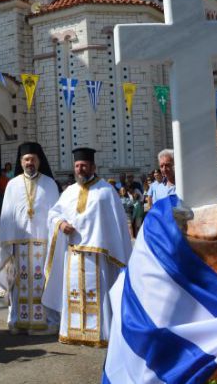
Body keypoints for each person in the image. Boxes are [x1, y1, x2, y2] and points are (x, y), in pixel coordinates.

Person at [42, 147, 132, 347]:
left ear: (93, 166)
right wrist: (61, 224)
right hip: (73, 254)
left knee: (97, 297)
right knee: (73, 294)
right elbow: (53, 214)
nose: (80, 169)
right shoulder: (69, 191)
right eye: (76, 165)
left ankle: (100, 334)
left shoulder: (106, 191)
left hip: (98, 256)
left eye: (83, 165)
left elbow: (116, 226)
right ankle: (73, 333)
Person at [0, 142, 60, 335]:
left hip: (44, 244)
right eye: (26, 159)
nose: (29, 162)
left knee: (44, 283)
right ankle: (17, 320)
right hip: (18, 245)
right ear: (21, 162)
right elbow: (7, 216)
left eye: (32, 159)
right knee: (18, 283)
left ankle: (47, 320)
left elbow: (55, 214)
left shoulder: (50, 184)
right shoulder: (12, 185)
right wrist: (7, 244)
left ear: (39, 161)